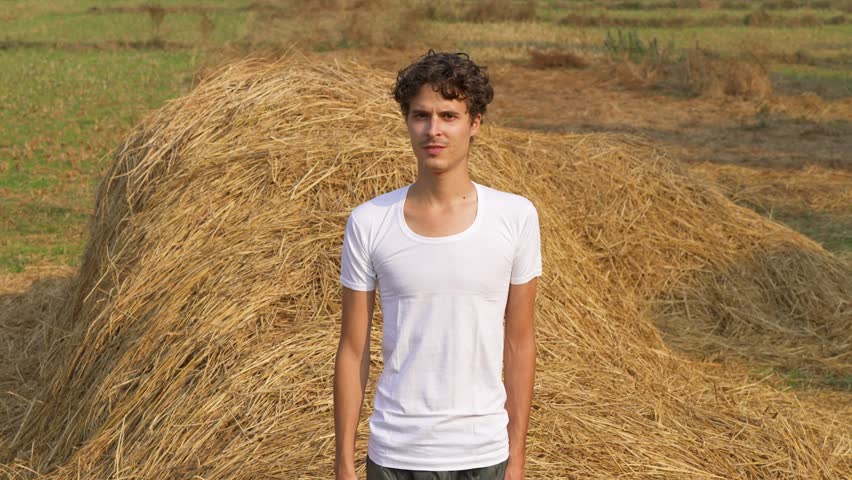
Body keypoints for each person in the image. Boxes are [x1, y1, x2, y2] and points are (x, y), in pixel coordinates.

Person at [334, 50, 541, 480]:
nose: (434, 130)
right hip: (395, 455)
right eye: (421, 115)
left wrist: (517, 459)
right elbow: (353, 351)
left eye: (449, 115)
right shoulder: (370, 221)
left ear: (475, 123)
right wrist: (343, 464)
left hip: (484, 453)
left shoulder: (515, 216)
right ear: (406, 121)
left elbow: (519, 344)